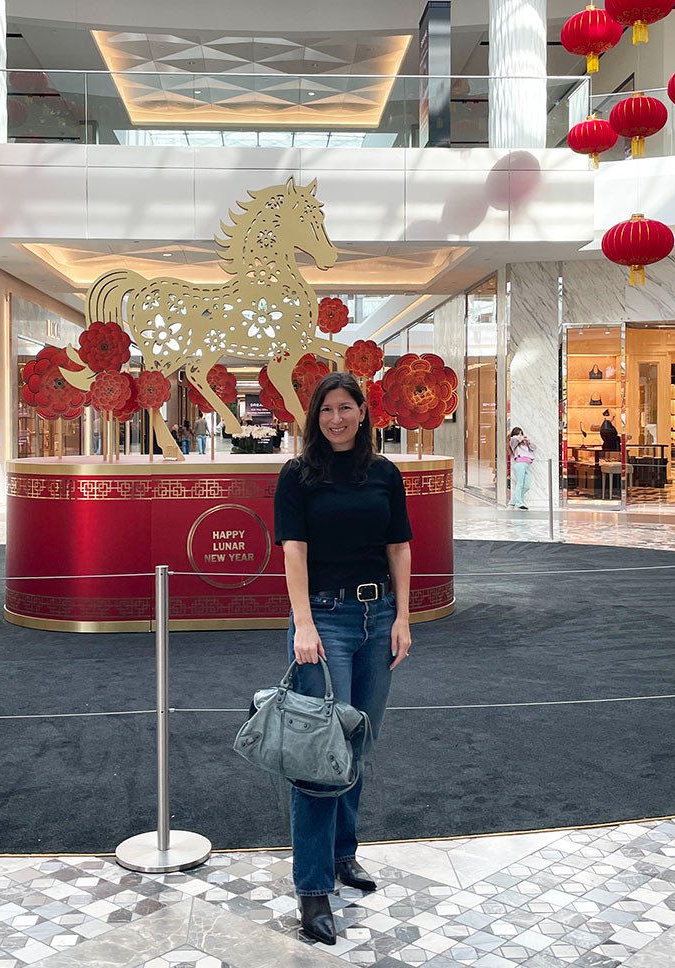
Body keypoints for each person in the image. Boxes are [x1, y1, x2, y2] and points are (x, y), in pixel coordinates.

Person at [273, 371, 412, 946]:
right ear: (316, 416)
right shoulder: (298, 475)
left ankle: (341, 855)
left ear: (362, 412)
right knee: (318, 754)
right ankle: (312, 887)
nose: (337, 418)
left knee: (357, 744)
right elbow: (294, 552)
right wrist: (303, 622)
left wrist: (403, 617)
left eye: (346, 407)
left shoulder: (384, 474)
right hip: (324, 621)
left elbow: (399, 546)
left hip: (377, 619)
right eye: (327, 409)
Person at [507, 426, 535, 509]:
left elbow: (534, 448)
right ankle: (518, 503)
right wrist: (521, 438)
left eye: (521, 434)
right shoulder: (514, 442)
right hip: (520, 464)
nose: (521, 436)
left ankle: (512, 502)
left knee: (527, 486)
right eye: (519, 434)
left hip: (527, 465)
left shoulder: (525, 444)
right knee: (519, 484)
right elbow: (514, 438)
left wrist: (528, 441)